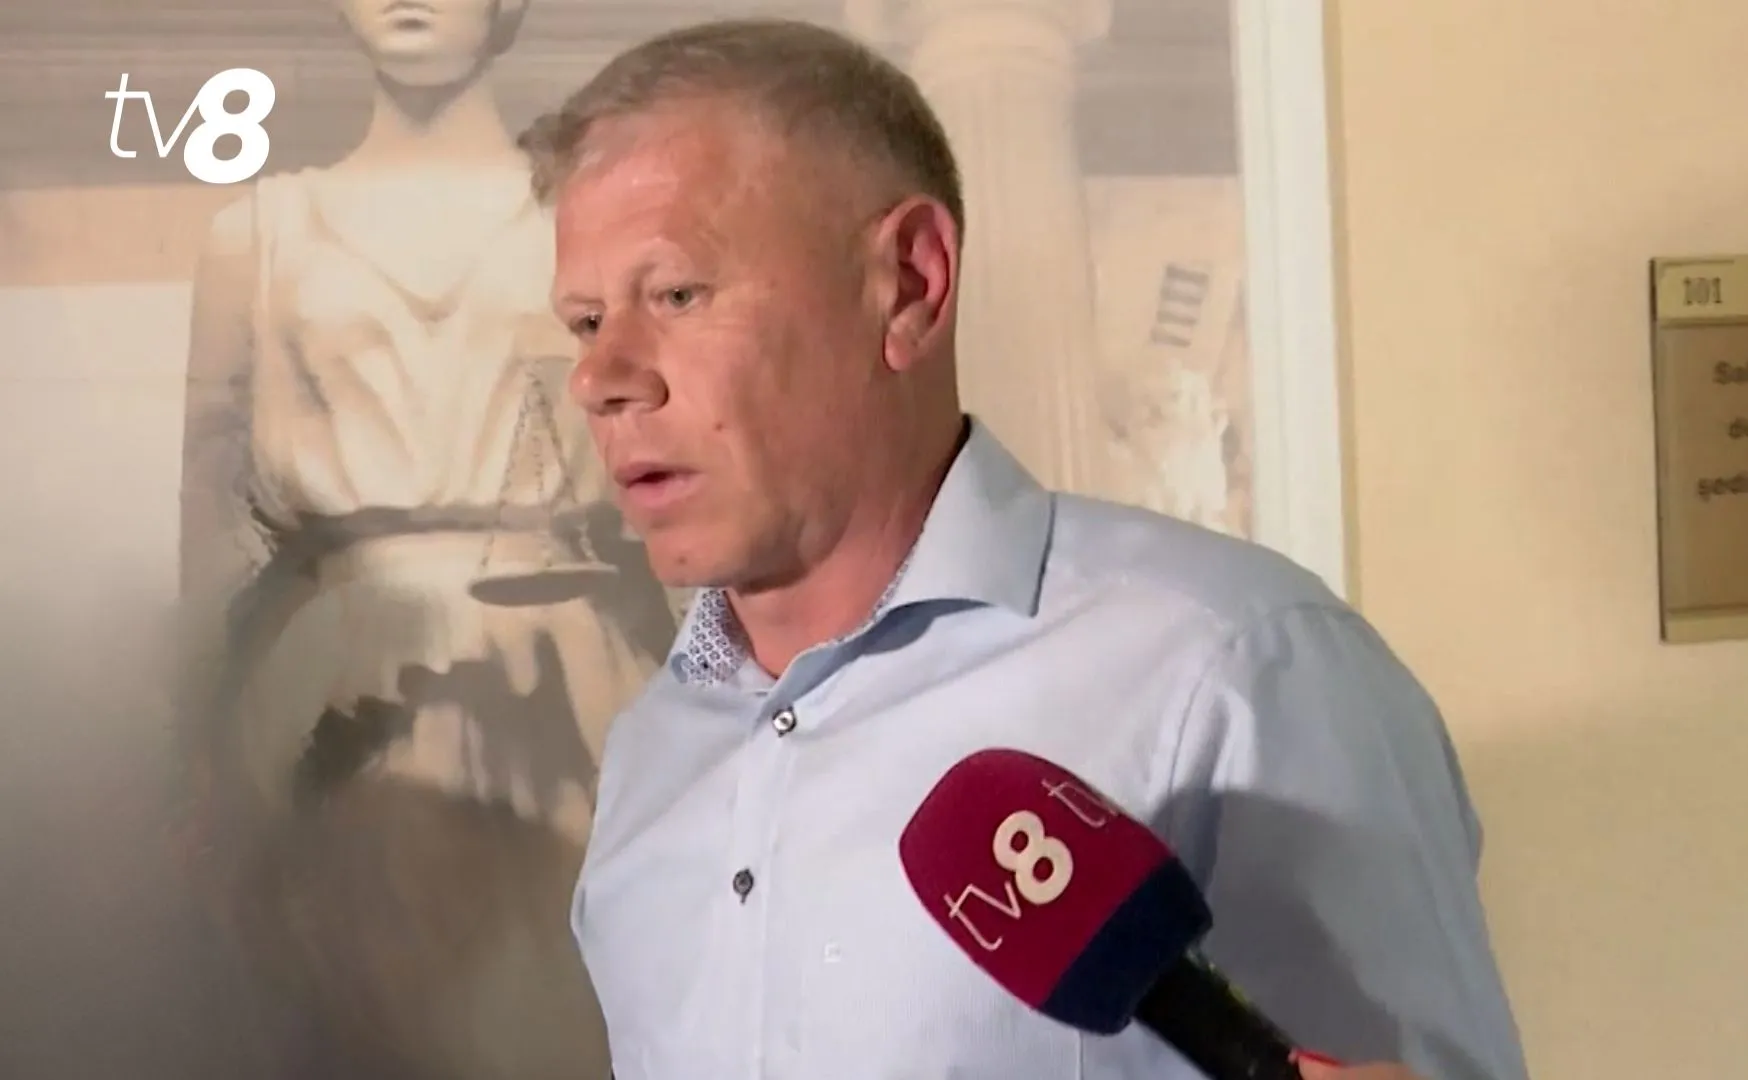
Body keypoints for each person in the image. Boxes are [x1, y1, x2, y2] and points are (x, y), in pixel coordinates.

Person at [520, 16, 1530, 1080]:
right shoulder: (650, 751)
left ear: (908, 283)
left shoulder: (1237, 669)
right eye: (585, 322)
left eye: (677, 295)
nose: (600, 379)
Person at [174, 0, 672, 1075]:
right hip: (334, 676)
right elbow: (207, 540)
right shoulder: (257, 234)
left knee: (568, 1010)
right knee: (360, 1022)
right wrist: (203, 764)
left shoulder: (593, 217)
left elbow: (681, 470)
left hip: (564, 666)